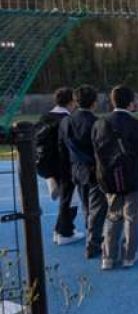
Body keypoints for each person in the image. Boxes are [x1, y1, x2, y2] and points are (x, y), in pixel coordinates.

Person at [92, 86, 138, 270]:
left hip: (110, 177)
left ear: (113, 101)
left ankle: (108, 256)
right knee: (132, 218)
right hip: (133, 176)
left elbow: (96, 151)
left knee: (112, 216)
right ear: (131, 103)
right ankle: (129, 255)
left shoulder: (99, 124)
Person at [58, 85, 108, 258]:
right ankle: (93, 243)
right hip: (94, 169)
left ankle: (92, 237)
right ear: (94, 103)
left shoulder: (66, 121)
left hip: (76, 169)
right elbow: (102, 148)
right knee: (97, 208)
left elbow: (62, 148)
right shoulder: (97, 122)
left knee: (86, 205)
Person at [35, 87, 84, 245]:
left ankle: (60, 230)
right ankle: (65, 233)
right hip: (64, 165)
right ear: (72, 101)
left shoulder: (45, 117)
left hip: (45, 163)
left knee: (66, 199)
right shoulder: (67, 120)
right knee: (71, 200)